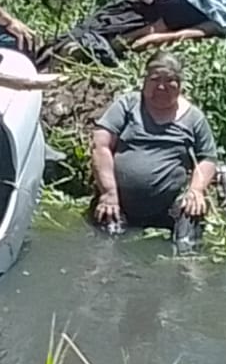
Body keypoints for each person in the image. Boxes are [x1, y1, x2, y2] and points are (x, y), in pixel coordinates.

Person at [90, 51, 218, 253]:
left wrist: (196, 190)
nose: (161, 87)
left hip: (169, 206)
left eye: (170, 81)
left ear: (180, 85)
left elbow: (208, 158)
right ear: (144, 81)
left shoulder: (194, 117)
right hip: (119, 201)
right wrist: (108, 192)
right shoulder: (129, 105)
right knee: (104, 248)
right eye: (155, 79)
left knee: (191, 221)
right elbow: (101, 145)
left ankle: (187, 266)